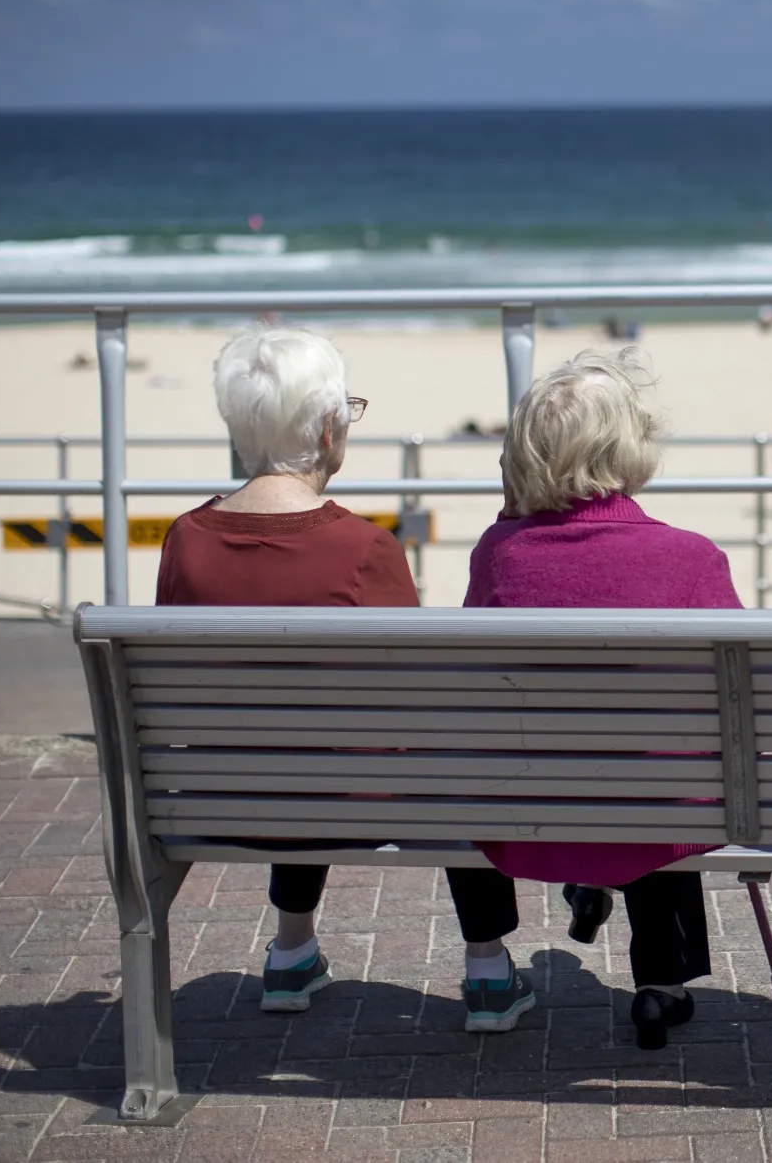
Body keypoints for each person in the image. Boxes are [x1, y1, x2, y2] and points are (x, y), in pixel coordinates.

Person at [156, 326, 532, 1034]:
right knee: (448, 751)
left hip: (218, 797)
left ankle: (291, 952)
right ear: (329, 428)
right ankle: (487, 969)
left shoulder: (185, 539)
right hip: (344, 804)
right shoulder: (363, 548)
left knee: (293, 732)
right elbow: (419, 700)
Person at [465, 348, 740, 1049]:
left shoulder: (498, 554)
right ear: (629, 447)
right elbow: (733, 701)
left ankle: (591, 883)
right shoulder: (691, 557)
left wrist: (511, 518)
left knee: (630, 760)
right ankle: (661, 983)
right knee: (669, 763)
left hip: (533, 808)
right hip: (654, 809)